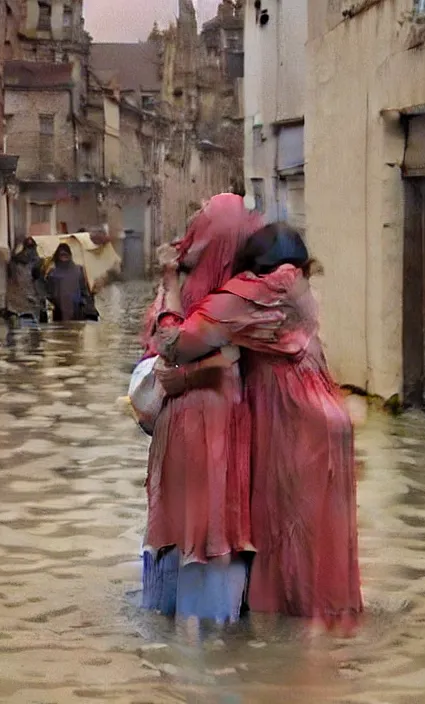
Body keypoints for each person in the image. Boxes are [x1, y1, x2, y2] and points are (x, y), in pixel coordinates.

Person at [154, 222, 363, 629]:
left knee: (289, 549)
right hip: (330, 417)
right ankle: (334, 654)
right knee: (324, 553)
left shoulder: (252, 295)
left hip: (294, 422)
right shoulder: (300, 288)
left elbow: (173, 343)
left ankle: (290, 672)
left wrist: (170, 287)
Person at [140, 193, 263, 624]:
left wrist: (170, 286)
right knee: (204, 522)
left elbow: (169, 342)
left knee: (205, 523)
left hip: (202, 423)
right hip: (201, 421)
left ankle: (192, 637)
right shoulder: (236, 292)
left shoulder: (227, 299)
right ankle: (207, 637)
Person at [45, 243, 99, 322]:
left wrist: (84, 302)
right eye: (61, 255)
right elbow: (49, 293)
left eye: (66, 255)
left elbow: (84, 290)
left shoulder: (79, 270)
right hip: (60, 311)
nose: (64, 258)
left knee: (76, 331)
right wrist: (56, 300)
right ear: (57, 256)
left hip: (77, 310)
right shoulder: (52, 273)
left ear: (70, 255)